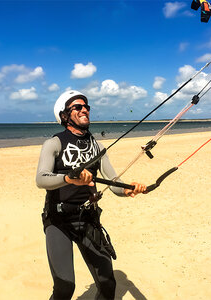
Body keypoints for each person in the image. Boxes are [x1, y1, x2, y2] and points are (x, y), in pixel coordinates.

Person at [36, 90, 146, 300]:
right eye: (77, 107)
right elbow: (41, 179)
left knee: (107, 285)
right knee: (65, 287)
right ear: (65, 115)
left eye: (86, 106)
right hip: (58, 221)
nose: (84, 109)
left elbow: (113, 183)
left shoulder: (98, 147)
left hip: (88, 220)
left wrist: (127, 188)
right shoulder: (54, 143)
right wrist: (69, 178)